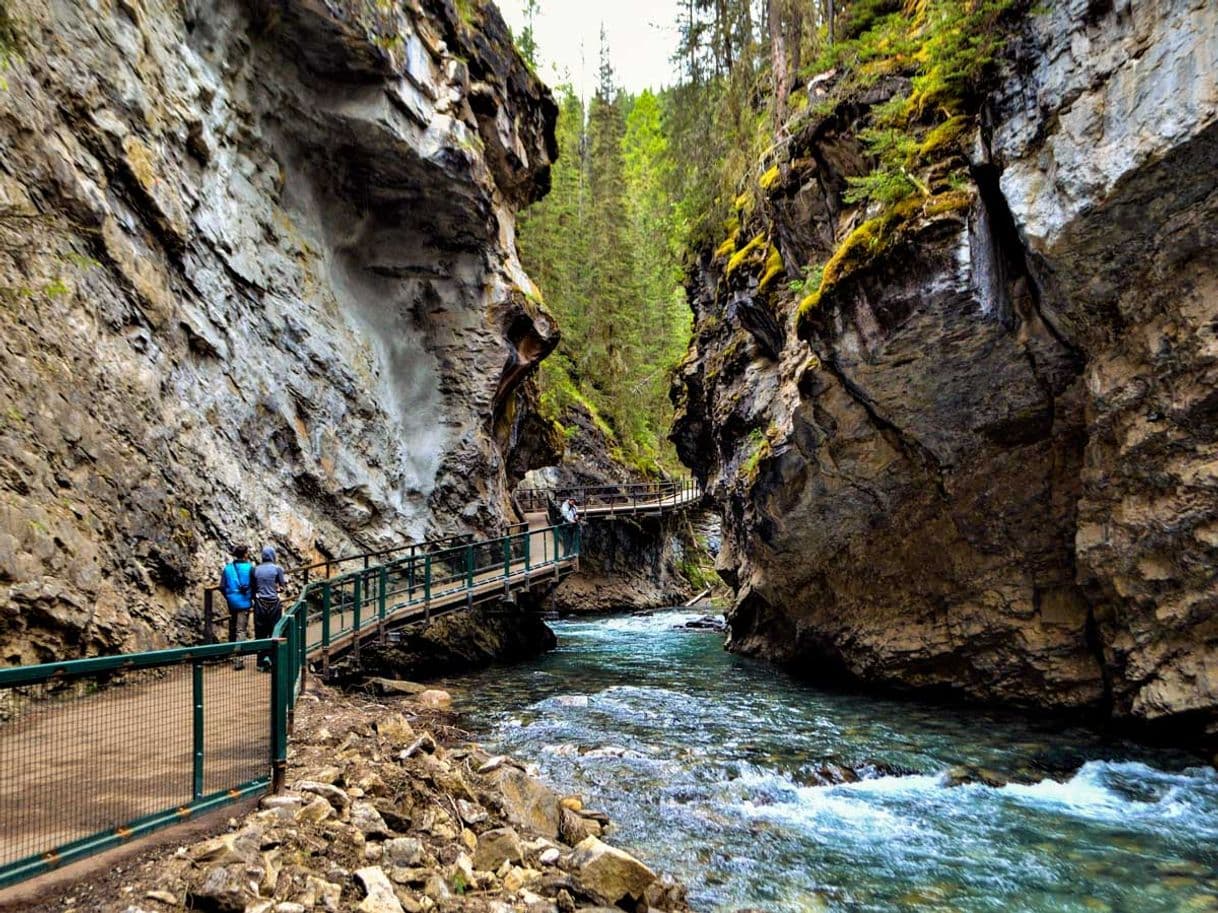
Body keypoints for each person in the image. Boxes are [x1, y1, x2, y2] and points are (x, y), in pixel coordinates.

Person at [252, 545, 287, 672]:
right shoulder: (277, 569)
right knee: (274, 632)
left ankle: (260, 662)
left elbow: (254, 587)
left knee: (260, 633)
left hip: (260, 604)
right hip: (274, 604)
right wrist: (277, 588)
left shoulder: (255, 570)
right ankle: (273, 661)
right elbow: (282, 586)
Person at [220, 545, 254, 669]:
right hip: (244, 603)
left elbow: (222, 586)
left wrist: (229, 596)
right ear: (245, 554)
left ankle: (231, 653)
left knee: (233, 627)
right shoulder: (250, 568)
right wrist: (251, 597)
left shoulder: (228, 569)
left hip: (231, 602)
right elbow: (254, 585)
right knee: (241, 630)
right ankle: (238, 660)